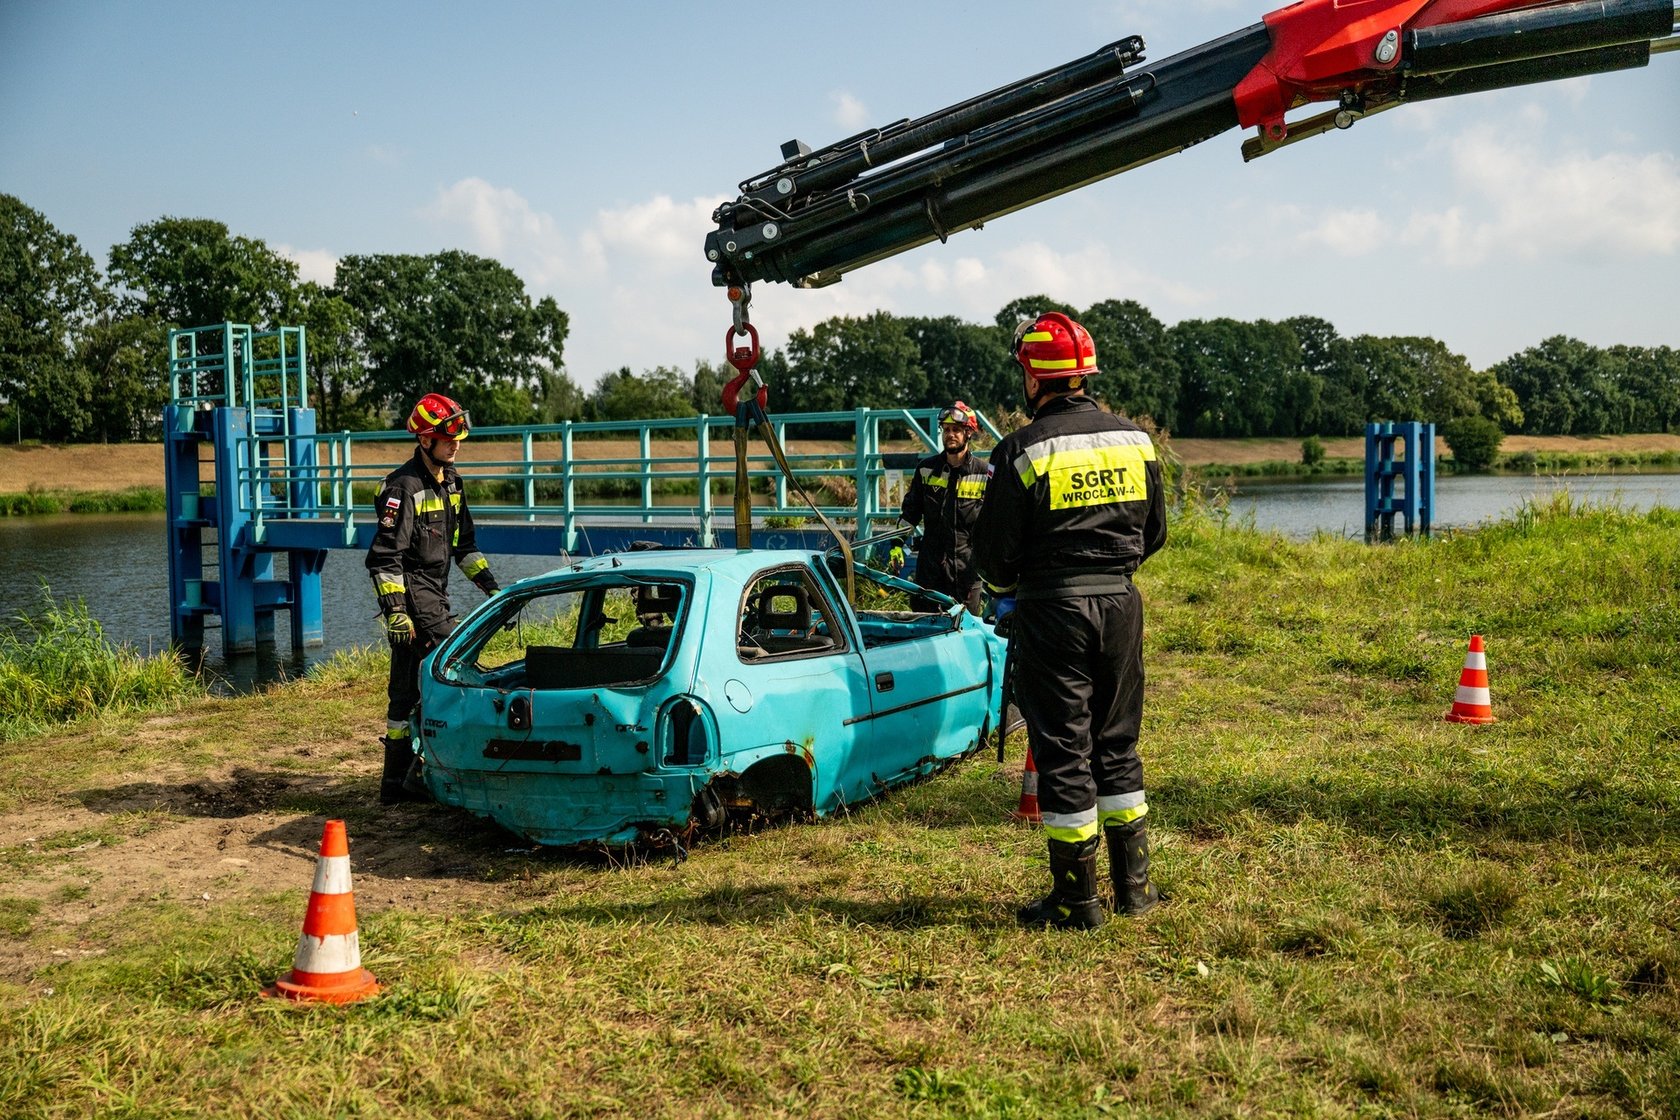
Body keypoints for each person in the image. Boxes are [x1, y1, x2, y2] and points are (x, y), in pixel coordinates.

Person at [972, 313, 1167, 929]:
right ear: (1084, 374)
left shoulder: (1023, 450)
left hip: (1053, 610)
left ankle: (1077, 901)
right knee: (1117, 744)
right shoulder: (1136, 441)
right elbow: (1154, 533)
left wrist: (1014, 590)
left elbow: (993, 557)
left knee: (1063, 750)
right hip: (1121, 605)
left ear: (1034, 379)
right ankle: (1135, 890)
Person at [366, 392, 501, 804]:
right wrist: (396, 612)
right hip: (413, 596)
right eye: (448, 438)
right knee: (452, 668)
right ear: (425, 440)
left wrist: (494, 589)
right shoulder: (403, 488)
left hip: (435, 592)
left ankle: (399, 784)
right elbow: (384, 558)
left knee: (406, 691)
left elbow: (465, 548)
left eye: (458, 437)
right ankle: (432, 772)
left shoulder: (452, 483)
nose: (456, 444)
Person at [896, 400, 990, 614]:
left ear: (968, 433)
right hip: (929, 572)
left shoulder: (984, 473)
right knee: (924, 628)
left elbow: (996, 522)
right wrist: (896, 543)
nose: (950, 435)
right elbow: (910, 513)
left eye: (956, 430)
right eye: (946, 430)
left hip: (966, 572)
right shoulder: (926, 469)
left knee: (965, 630)